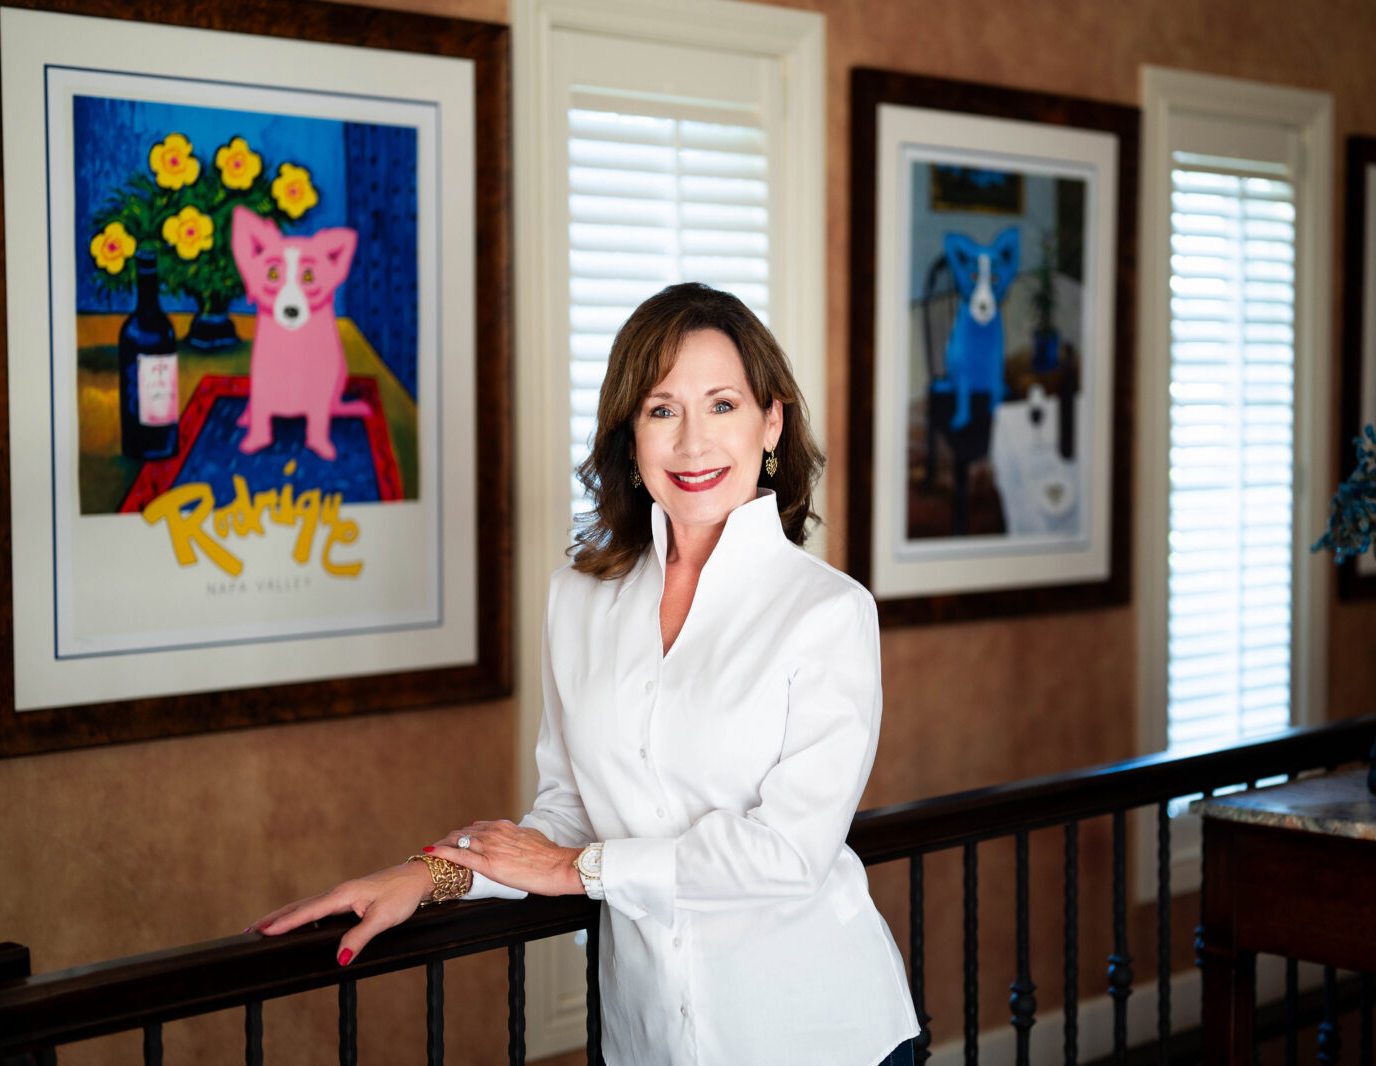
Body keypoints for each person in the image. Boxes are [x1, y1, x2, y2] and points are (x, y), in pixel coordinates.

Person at [253, 283, 921, 1065]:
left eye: (723, 405)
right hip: (646, 1039)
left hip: (818, 1032)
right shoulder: (578, 599)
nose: (693, 443)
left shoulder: (829, 613)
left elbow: (787, 855)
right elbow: (568, 810)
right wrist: (432, 877)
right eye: (662, 410)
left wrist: (579, 872)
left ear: (771, 422)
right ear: (630, 437)